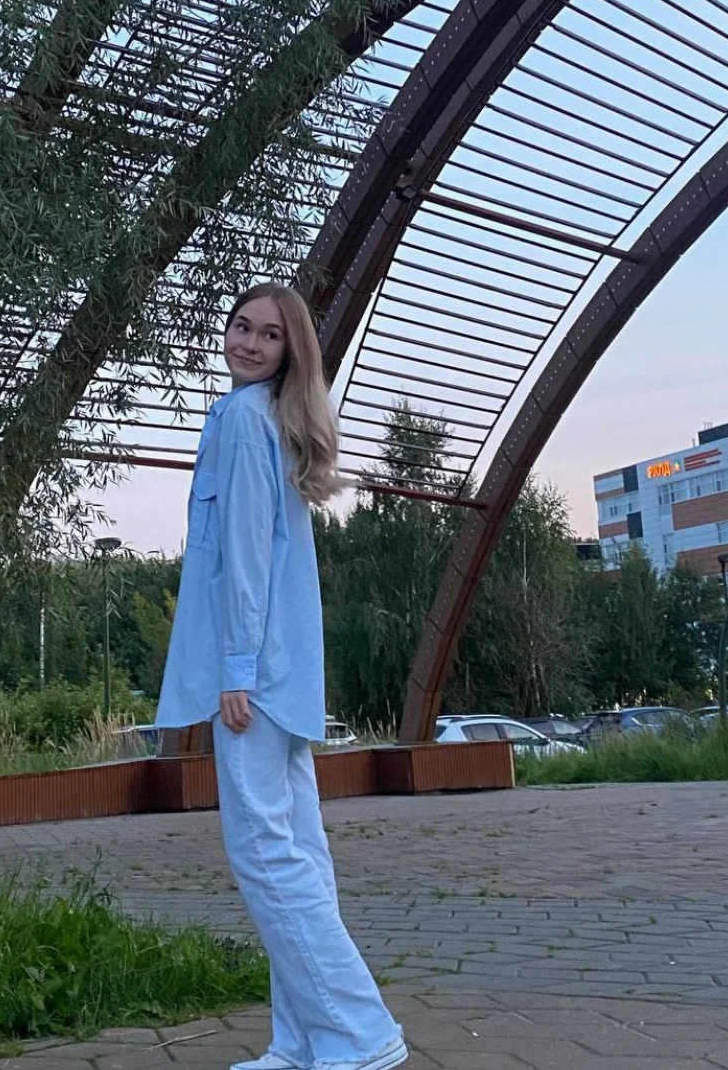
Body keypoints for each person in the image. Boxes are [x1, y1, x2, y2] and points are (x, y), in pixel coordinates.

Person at [155, 284, 408, 1070]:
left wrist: (235, 669)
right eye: (241, 325)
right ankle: (302, 1042)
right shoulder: (273, 420)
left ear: (291, 351)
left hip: (253, 679)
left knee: (265, 852)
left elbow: (244, 555)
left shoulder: (241, 418)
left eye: (269, 334)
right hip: (282, 672)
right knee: (299, 851)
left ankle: (359, 1033)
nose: (249, 341)